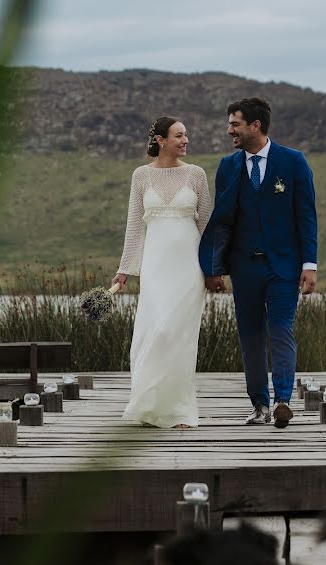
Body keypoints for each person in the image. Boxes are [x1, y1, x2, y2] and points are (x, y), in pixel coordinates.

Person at [199, 97, 318, 429]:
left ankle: (282, 400)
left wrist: (310, 264)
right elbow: (222, 221)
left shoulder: (293, 162)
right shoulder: (228, 166)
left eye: (235, 124)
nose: (229, 130)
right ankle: (259, 405)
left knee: (281, 330)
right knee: (250, 335)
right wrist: (213, 268)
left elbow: (306, 216)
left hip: (283, 267)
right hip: (243, 268)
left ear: (256, 125)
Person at [113, 117, 212, 428]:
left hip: (189, 266)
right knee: (154, 331)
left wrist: (213, 269)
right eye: (179, 135)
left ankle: (180, 411)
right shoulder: (141, 176)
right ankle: (148, 406)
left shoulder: (196, 174)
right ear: (160, 140)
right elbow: (134, 226)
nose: (185, 140)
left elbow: (207, 224)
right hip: (155, 267)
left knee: (180, 335)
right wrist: (124, 269)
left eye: (186, 135)